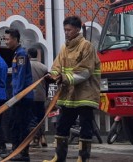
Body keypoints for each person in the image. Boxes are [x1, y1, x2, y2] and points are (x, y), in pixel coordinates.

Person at [44, 16, 101, 162]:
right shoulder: (64, 47)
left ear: (77, 29)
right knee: (62, 125)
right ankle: (59, 157)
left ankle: (83, 159)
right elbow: (57, 66)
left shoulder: (86, 46)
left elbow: (85, 71)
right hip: (68, 96)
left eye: (68, 30)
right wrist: (53, 75)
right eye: (64, 30)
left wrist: (64, 78)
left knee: (85, 127)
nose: (66, 32)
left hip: (86, 95)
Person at [5, 28, 34, 162]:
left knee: (21, 125)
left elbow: (21, 77)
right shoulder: (16, 54)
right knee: (15, 124)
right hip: (18, 96)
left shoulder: (21, 54)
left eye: (7, 39)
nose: (6, 42)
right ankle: (15, 150)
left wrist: (16, 96)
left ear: (15, 39)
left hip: (23, 97)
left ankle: (23, 154)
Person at [27, 47, 48, 148]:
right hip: (41, 96)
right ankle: (43, 137)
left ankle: (35, 139)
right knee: (41, 117)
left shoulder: (27, 66)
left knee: (32, 118)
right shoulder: (43, 67)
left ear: (29, 55)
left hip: (30, 96)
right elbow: (47, 83)